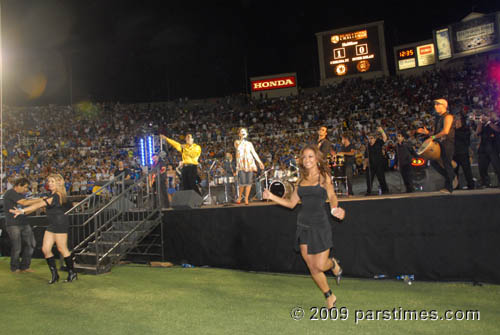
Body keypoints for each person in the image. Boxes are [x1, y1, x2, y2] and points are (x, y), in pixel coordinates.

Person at [263, 144, 345, 308]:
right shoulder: (300, 180)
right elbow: (291, 204)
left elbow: (332, 195)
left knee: (321, 265)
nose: (307, 160)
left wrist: (335, 209)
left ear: (316, 159)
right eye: (304, 157)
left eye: (310, 156)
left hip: (320, 224)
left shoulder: (323, 177)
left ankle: (334, 264)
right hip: (303, 225)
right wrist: (272, 196)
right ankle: (329, 295)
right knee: (312, 267)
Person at [10, 174, 77, 284]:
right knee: (45, 249)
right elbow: (38, 205)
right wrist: (24, 212)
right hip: (52, 225)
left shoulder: (57, 196)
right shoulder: (51, 195)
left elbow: (39, 204)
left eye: (52, 181)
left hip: (60, 224)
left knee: (62, 249)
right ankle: (55, 275)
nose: (49, 183)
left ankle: (72, 273)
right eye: (49, 181)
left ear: (59, 183)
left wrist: (22, 211)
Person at [417, 99, 457, 193]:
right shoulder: (438, 118)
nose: (435, 106)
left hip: (447, 143)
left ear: (444, 106)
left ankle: (449, 188)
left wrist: (433, 137)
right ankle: (451, 176)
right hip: (439, 143)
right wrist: (427, 133)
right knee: (434, 163)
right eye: (435, 104)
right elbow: (436, 133)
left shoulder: (448, 117)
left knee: (446, 164)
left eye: (437, 104)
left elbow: (445, 131)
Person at [4, 178, 40, 273]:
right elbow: (24, 203)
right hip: (13, 224)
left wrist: (39, 205)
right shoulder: (10, 193)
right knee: (17, 247)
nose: (26, 190)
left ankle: (25, 266)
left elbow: (26, 211)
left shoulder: (21, 195)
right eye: (25, 187)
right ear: (19, 185)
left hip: (24, 223)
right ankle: (15, 268)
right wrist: (40, 200)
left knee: (32, 244)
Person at [234, 127, 264, 205]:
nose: (243, 133)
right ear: (239, 134)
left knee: (249, 182)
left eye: (244, 132)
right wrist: (242, 139)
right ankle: (240, 196)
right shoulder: (237, 142)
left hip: (249, 163)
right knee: (242, 182)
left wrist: (260, 162)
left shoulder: (249, 143)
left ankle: (246, 198)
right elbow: (238, 148)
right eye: (242, 132)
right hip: (241, 163)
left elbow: (254, 153)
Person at [476, 110, 500, 188]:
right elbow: (477, 132)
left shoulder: (496, 122)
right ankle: (485, 182)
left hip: (493, 147)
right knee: (482, 167)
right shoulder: (483, 124)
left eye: (490, 114)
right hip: (483, 148)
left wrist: (489, 122)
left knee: (497, 166)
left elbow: (497, 129)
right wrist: (480, 122)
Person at [364, 127, 389, 195]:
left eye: (371, 138)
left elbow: (385, 138)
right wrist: (365, 165)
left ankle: (385, 190)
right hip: (371, 165)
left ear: (375, 138)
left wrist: (382, 131)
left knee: (381, 178)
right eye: (369, 138)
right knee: (369, 179)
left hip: (379, 164)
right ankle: (368, 191)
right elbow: (366, 156)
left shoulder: (378, 142)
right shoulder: (368, 146)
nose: (370, 140)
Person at [453, 116, 475, 190]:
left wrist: (455, 130)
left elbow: (465, 139)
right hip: (455, 153)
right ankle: (456, 185)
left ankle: (471, 185)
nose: (457, 122)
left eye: (459, 121)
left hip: (463, 153)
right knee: (455, 171)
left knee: (467, 170)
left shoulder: (465, 130)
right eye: (456, 121)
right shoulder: (453, 130)